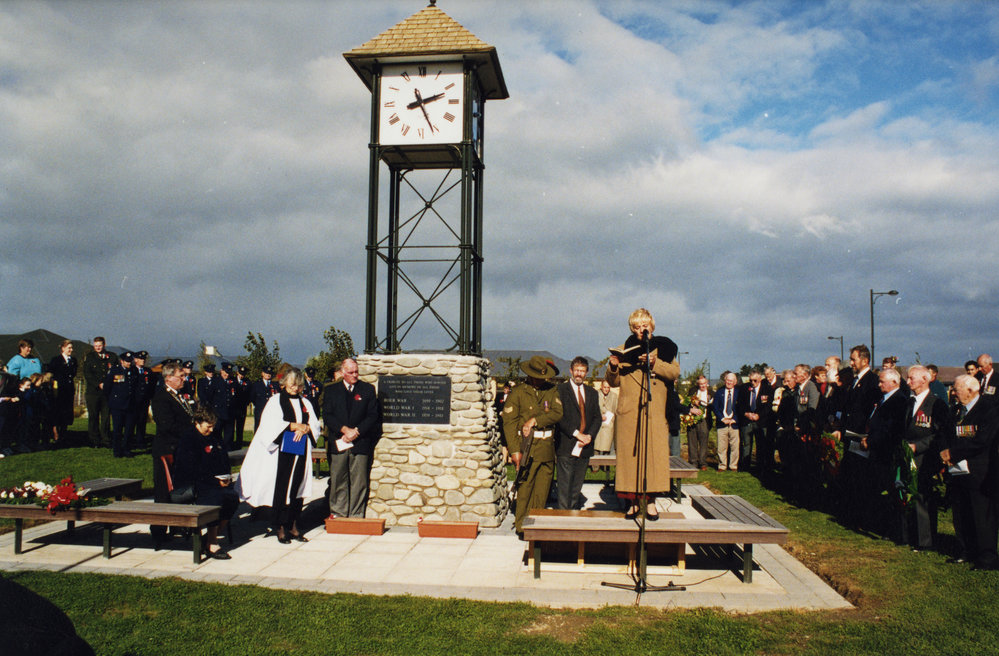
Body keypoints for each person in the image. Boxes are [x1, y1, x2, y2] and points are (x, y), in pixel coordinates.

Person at [605, 308, 679, 520]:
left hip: (654, 412)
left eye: (644, 326)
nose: (641, 330)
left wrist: (656, 363)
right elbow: (613, 382)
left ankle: (651, 503)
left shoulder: (664, 348)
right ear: (632, 328)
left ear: (651, 326)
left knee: (653, 459)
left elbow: (674, 372)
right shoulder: (623, 349)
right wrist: (613, 367)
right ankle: (633, 503)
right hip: (629, 414)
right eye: (636, 327)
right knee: (631, 459)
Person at [239, 368, 320, 543]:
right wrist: (292, 426)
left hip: (300, 450)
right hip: (281, 450)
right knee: (282, 487)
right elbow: (269, 424)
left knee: (297, 486)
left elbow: (314, 423)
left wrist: (306, 428)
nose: (295, 388)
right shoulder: (275, 401)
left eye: (298, 385)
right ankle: (280, 526)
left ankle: (293, 524)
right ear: (284, 384)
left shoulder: (305, 402)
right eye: (292, 384)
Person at [942, 375, 998, 570]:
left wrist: (954, 453)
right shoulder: (956, 410)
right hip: (957, 471)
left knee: (982, 516)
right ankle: (966, 550)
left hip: (979, 472)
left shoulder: (988, 409)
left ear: (971, 391)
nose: (953, 392)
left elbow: (983, 440)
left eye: (957, 389)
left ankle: (987, 557)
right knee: (961, 513)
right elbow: (946, 434)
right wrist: (945, 451)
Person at [504, 355, 562, 533]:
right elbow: (509, 423)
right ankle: (522, 527)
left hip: (546, 448)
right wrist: (515, 451)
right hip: (527, 448)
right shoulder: (518, 393)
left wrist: (535, 420)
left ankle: (537, 526)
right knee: (525, 489)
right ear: (529, 375)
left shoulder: (551, 390)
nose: (540, 380)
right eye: (537, 377)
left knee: (542, 491)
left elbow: (557, 413)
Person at [173, 406, 238, 559]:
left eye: (213, 426)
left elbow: (223, 458)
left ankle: (208, 538)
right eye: (208, 426)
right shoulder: (189, 439)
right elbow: (190, 468)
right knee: (215, 498)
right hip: (192, 482)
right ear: (198, 422)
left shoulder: (214, 436)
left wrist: (226, 477)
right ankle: (212, 543)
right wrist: (215, 481)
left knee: (233, 498)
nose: (211, 429)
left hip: (212, 481)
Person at [323, 358, 380, 519]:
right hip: (339, 441)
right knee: (338, 479)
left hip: (360, 442)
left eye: (356, 372)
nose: (355, 375)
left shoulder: (367, 389)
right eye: (351, 372)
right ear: (343, 373)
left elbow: (372, 415)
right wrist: (344, 430)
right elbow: (327, 415)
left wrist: (356, 431)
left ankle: (356, 514)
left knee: (359, 481)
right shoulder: (331, 390)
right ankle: (338, 513)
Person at [905, 365, 952, 551]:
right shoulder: (910, 402)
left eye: (911, 378)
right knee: (911, 495)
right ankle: (912, 535)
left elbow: (940, 433)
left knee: (923, 497)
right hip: (908, 455)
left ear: (924, 380)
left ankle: (926, 541)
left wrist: (918, 446)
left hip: (926, 457)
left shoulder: (937, 404)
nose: (908, 382)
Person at [150, 361, 194, 547]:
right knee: (163, 491)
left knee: (179, 490)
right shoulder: (161, 397)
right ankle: (159, 530)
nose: (184, 379)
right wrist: (191, 431)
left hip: (180, 450)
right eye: (180, 376)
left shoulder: (180, 395)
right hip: (167, 449)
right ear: (168, 378)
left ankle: (177, 525)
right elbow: (167, 425)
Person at [862, 368, 909, 539]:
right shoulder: (884, 399)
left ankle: (891, 529)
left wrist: (871, 441)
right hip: (878, 451)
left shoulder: (899, 401)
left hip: (887, 453)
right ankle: (882, 525)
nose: (879, 384)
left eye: (882, 381)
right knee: (879, 489)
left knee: (890, 491)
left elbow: (889, 429)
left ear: (894, 382)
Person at [554, 357, 601, 511]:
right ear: (571, 371)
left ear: (586, 373)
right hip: (566, 444)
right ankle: (563, 515)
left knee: (576, 486)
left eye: (582, 371)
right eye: (576, 370)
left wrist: (589, 436)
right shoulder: (560, 390)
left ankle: (573, 514)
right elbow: (559, 417)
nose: (579, 374)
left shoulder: (592, 393)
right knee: (564, 486)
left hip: (585, 445)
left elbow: (597, 418)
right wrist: (576, 434)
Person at [82, 336, 117, 448]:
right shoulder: (90, 357)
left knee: (106, 417)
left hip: (107, 393)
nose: (97, 347)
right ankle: (94, 440)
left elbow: (116, 372)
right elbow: (87, 374)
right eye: (95, 346)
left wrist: (109, 384)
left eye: (100, 345)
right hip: (93, 392)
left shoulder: (112, 356)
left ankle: (106, 440)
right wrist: (98, 384)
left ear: (104, 345)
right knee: (93, 417)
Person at [104, 351, 137, 457]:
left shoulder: (134, 370)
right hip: (117, 404)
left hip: (130, 404)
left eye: (130, 361)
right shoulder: (115, 370)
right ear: (122, 361)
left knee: (129, 429)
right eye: (127, 361)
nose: (129, 363)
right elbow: (107, 387)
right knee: (117, 429)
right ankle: (117, 450)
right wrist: (112, 400)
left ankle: (127, 449)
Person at [47, 340, 77, 442]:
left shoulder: (73, 360)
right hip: (59, 390)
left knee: (66, 413)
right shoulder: (56, 360)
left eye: (71, 348)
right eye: (69, 348)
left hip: (69, 390)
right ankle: (55, 433)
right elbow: (50, 373)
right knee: (57, 412)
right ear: (63, 348)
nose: (71, 350)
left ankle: (63, 434)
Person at [738, 369, 768, 470]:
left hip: (760, 422)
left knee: (761, 445)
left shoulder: (766, 389)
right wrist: (746, 414)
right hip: (747, 421)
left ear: (760, 379)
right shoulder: (744, 388)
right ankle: (745, 466)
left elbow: (768, 406)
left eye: (755, 380)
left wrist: (759, 415)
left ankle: (760, 466)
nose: (753, 382)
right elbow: (740, 404)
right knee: (746, 444)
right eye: (751, 380)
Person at [713, 373, 741, 471]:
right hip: (722, 423)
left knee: (735, 447)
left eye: (731, 381)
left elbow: (741, 408)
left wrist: (734, 419)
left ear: (735, 382)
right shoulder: (719, 392)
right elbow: (715, 407)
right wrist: (722, 419)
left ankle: (733, 466)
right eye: (727, 380)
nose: (729, 382)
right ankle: (722, 465)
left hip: (734, 423)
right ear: (725, 381)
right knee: (721, 447)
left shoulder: (739, 392)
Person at [685, 375, 712, 470]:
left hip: (704, 420)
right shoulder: (693, 391)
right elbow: (686, 402)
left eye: (704, 383)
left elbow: (713, 406)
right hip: (692, 419)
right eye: (700, 384)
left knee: (703, 442)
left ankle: (702, 463)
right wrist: (693, 404)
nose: (702, 386)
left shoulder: (711, 393)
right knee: (692, 441)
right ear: (698, 384)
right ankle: (693, 462)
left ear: (707, 383)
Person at [132, 351, 155, 448]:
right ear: (135, 360)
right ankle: (130, 441)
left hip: (144, 401)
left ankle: (140, 441)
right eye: (141, 359)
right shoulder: (131, 370)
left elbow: (152, 385)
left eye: (144, 359)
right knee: (131, 422)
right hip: (133, 401)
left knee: (142, 421)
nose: (143, 360)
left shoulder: (148, 371)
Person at [251, 366, 278, 432]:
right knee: (258, 430)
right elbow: (253, 397)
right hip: (260, 411)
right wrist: (258, 405)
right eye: (266, 373)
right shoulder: (257, 384)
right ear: (262, 373)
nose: (268, 375)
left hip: (271, 412)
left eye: (270, 373)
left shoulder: (275, 385)